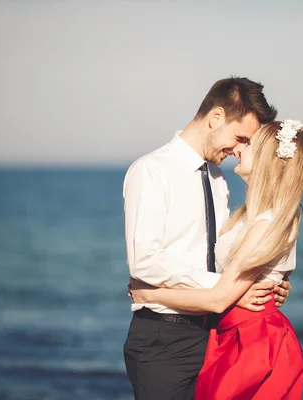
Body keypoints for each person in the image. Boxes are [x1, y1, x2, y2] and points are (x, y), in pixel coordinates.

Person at [123, 77, 293, 400]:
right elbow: (145, 261)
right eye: (240, 137)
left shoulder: (218, 181)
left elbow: (221, 255)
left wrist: (268, 282)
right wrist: (222, 288)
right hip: (163, 339)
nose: (239, 149)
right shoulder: (150, 172)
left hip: (215, 336)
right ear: (216, 118)